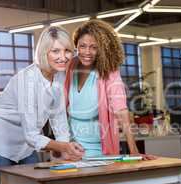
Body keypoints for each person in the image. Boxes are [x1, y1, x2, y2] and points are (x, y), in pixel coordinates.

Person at [0, 26, 84, 184]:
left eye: (67, 51)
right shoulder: (27, 80)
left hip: (26, 144)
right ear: (44, 53)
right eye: (55, 51)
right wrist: (63, 147)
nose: (63, 57)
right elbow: (32, 135)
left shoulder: (58, 76)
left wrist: (66, 151)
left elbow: (58, 118)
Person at [64, 19, 155, 159]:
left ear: (102, 49)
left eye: (94, 47)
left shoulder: (109, 70)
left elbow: (121, 111)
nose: (87, 52)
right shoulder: (71, 64)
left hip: (98, 150)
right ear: (76, 45)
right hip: (69, 148)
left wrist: (134, 151)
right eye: (82, 46)